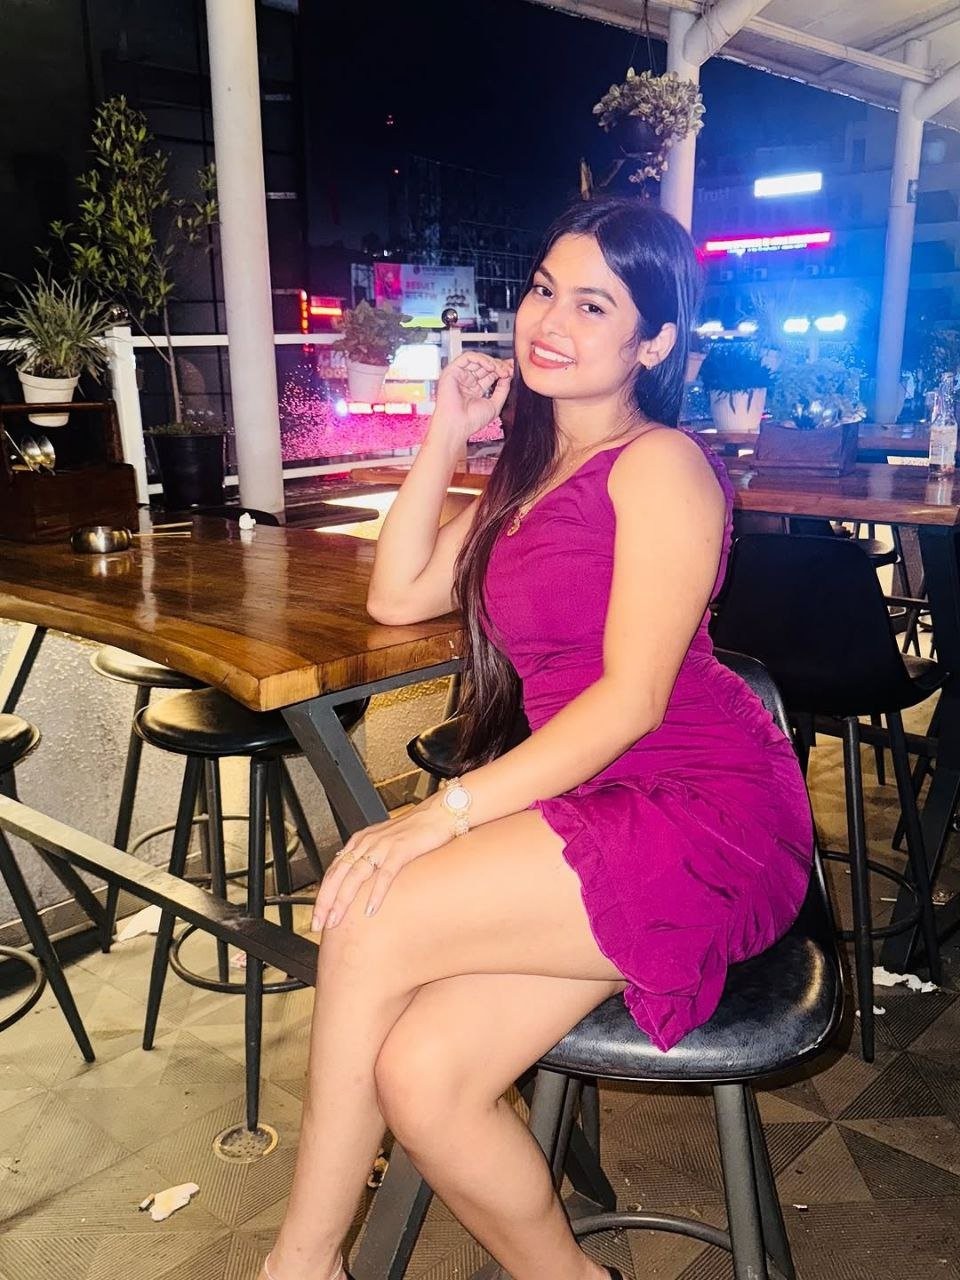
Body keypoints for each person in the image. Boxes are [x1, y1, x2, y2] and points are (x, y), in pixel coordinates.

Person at [260, 197, 813, 1280]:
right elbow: (398, 595)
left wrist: (443, 815)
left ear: (653, 343)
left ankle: (302, 1265)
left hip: (702, 807)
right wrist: (445, 434)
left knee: (370, 911)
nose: (549, 321)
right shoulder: (530, 475)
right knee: (423, 1076)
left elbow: (633, 702)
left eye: (594, 305)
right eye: (545, 290)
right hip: (593, 800)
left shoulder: (660, 463)